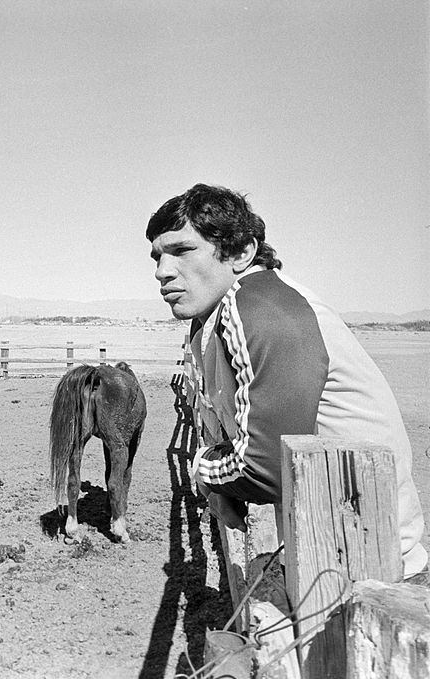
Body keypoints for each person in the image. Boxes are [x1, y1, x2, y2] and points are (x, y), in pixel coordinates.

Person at [146, 183, 428, 584]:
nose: (161, 270)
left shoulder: (260, 309)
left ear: (242, 252)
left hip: (368, 568)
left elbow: (263, 468)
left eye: (182, 250)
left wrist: (204, 470)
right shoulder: (245, 305)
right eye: (157, 256)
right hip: (340, 549)